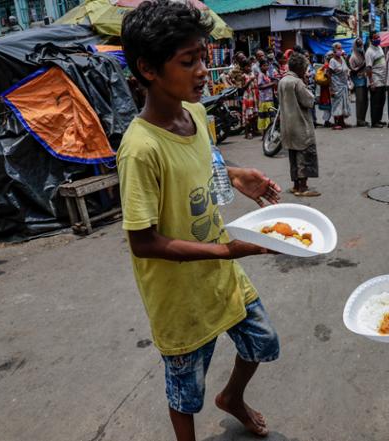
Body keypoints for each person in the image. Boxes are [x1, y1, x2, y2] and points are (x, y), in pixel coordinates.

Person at [118, 2, 282, 439]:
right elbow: (143, 242)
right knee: (185, 393)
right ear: (148, 69)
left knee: (262, 342)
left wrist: (234, 174)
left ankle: (232, 397)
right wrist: (229, 249)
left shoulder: (196, 114)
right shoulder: (139, 150)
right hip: (180, 298)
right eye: (189, 61)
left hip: (221, 275)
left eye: (204, 58)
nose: (203, 70)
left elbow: (201, 164)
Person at [279, 52, 320, 197]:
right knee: (304, 155)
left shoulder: (283, 81)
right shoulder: (297, 82)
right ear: (300, 69)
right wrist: (307, 85)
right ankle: (303, 187)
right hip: (300, 125)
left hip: (287, 126)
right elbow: (309, 101)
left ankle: (296, 185)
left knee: (293, 156)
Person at [366, 32, 387, 128]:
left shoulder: (379, 48)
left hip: (382, 79)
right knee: (375, 102)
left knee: (381, 101)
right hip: (375, 80)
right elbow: (368, 68)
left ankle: (379, 119)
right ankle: (374, 122)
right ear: (371, 40)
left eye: (378, 37)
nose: (378, 39)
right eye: (375, 38)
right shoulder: (369, 52)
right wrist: (371, 82)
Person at [328, 42, 351, 130]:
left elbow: (345, 69)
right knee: (336, 103)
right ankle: (336, 123)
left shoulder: (342, 58)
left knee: (343, 104)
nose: (340, 50)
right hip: (336, 85)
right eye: (338, 48)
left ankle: (342, 122)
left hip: (343, 84)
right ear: (334, 50)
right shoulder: (332, 61)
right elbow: (329, 74)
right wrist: (331, 89)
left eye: (341, 48)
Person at [349, 38, 369, 127]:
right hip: (358, 82)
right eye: (359, 45)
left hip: (364, 80)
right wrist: (362, 65)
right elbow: (352, 71)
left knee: (365, 101)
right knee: (360, 101)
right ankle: (359, 120)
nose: (360, 47)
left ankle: (363, 119)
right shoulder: (353, 57)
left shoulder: (363, 54)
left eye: (361, 45)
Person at [240, 58, 259, 138]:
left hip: (253, 95)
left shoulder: (252, 74)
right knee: (248, 114)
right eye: (247, 66)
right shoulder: (243, 76)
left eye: (250, 66)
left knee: (254, 115)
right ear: (243, 67)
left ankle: (254, 131)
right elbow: (242, 87)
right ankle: (247, 133)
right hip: (247, 96)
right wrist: (249, 81)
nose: (249, 68)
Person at [257, 60, 276, 133]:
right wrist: (272, 84)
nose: (266, 67)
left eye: (267, 65)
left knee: (269, 117)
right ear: (260, 67)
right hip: (264, 99)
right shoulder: (260, 75)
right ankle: (266, 133)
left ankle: (268, 132)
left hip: (269, 98)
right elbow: (260, 86)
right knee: (266, 117)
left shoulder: (267, 74)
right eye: (264, 65)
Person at [317, 51, 333, 127]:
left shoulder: (325, 65)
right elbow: (327, 75)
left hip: (325, 87)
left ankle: (327, 120)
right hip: (327, 88)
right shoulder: (327, 66)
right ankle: (326, 121)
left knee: (327, 105)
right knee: (328, 105)